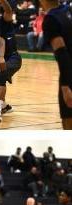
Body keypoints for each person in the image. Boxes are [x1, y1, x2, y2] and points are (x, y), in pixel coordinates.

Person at [39, 0, 72, 129]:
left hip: (69, 74)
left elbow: (62, 53)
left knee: (68, 120)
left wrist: (65, 86)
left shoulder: (50, 19)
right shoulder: (68, 9)